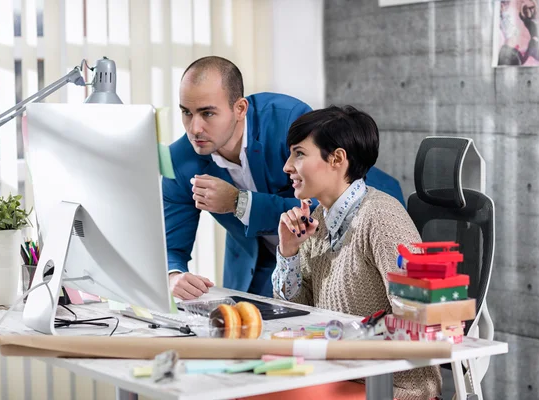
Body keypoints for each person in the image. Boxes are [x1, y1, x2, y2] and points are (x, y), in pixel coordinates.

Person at [163, 56, 406, 300]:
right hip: (260, 268)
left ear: (240, 109)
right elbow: (171, 245)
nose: (194, 128)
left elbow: (329, 201)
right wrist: (173, 275)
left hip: (346, 248)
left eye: (207, 113)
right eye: (186, 112)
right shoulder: (180, 160)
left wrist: (240, 202)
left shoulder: (287, 120)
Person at [265, 105, 442, 400]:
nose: (287, 166)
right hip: (339, 374)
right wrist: (289, 251)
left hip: (396, 388)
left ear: (336, 159)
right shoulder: (318, 218)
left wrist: (343, 336)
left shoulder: (383, 217)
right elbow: (298, 313)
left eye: (299, 154)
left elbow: (423, 318)